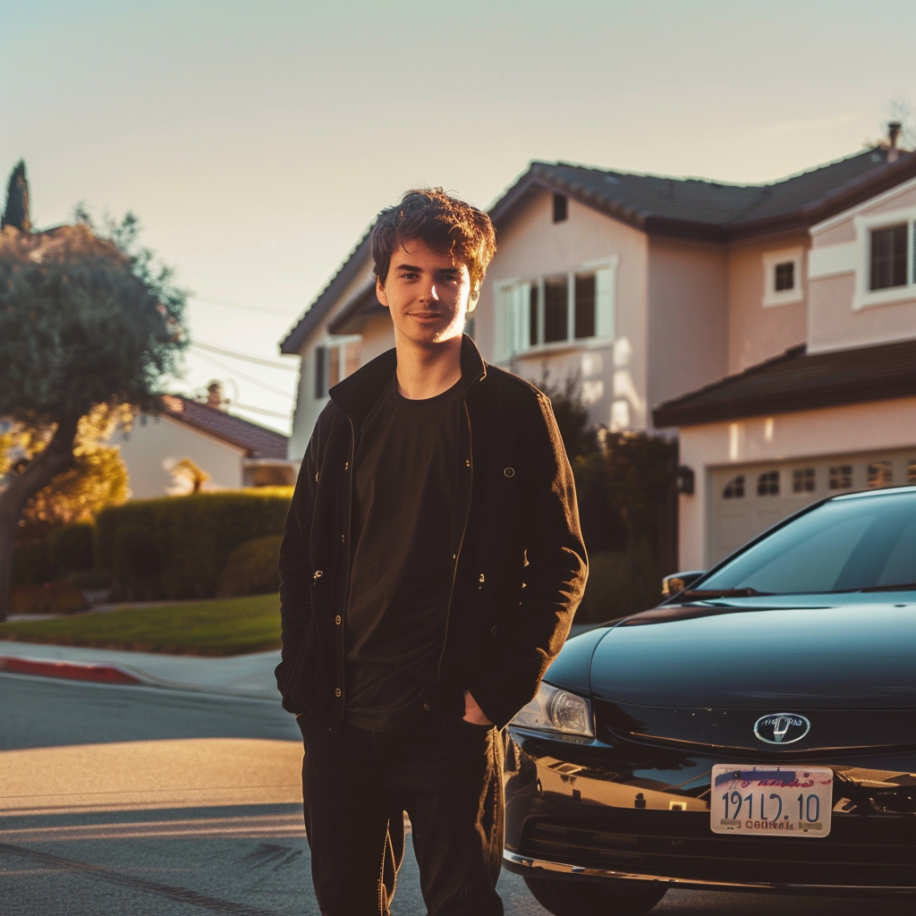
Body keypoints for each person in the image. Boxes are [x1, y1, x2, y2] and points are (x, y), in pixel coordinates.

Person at [276, 188, 587, 916]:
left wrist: (496, 692)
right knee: (346, 903)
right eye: (411, 274)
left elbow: (561, 562)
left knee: (462, 904)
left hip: (451, 719)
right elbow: (299, 557)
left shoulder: (514, 413)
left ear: (473, 290)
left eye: (449, 276)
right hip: (342, 720)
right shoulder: (346, 418)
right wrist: (303, 674)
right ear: (382, 287)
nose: (430, 292)